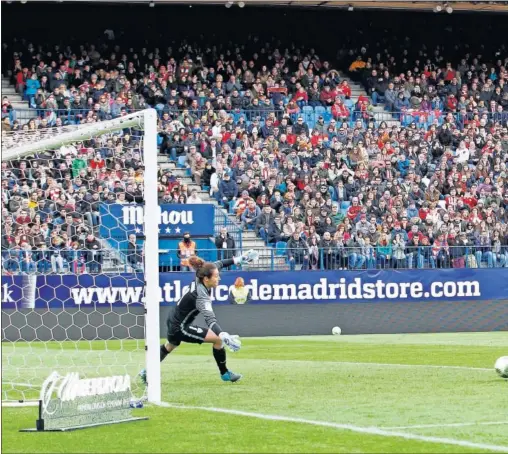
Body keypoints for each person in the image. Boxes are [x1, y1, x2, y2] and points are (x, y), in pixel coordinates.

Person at [140, 250, 259, 385]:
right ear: (206, 279)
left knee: (170, 346)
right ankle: (225, 373)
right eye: (216, 277)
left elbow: (220, 263)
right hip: (180, 327)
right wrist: (223, 334)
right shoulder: (200, 295)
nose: (219, 278)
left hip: (174, 319)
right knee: (218, 339)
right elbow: (210, 319)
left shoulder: (203, 273)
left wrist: (239, 259)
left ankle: (146, 371)